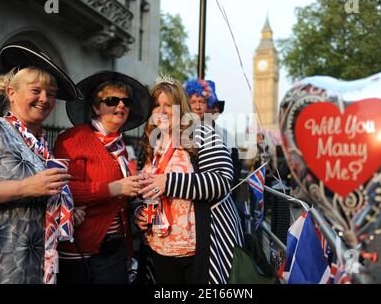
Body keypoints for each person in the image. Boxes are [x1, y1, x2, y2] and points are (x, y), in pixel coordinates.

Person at [0, 44, 79, 283]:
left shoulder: (42, 144)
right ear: (11, 92)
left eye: (51, 93)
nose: (44, 99)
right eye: (36, 90)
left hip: (37, 264)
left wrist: (65, 209)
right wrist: (25, 187)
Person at [134, 76, 244, 284]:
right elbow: (142, 190)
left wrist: (168, 183)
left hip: (196, 249)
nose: (162, 111)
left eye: (169, 105)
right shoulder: (150, 144)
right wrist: (138, 212)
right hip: (160, 247)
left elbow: (221, 182)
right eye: (157, 105)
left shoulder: (202, 134)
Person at [54, 71, 151, 284]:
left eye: (126, 101)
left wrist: (136, 209)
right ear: (96, 107)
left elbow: (122, 199)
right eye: (111, 100)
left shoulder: (120, 146)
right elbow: (63, 189)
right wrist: (114, 188)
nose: (120, 106)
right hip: (81, 250)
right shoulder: (72, 139)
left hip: (115, 249)